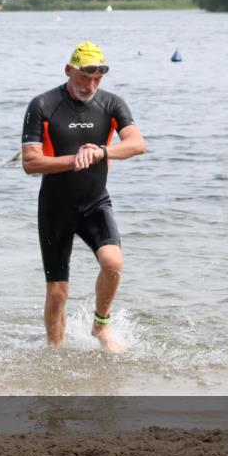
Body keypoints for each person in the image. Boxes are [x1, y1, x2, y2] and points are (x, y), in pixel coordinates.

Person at [21, 41, 147, 352]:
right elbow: (30, 163)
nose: (90, 85)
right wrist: (74, 158)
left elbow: (137, 144)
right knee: (57, 294)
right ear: (69, 71)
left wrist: (102, 151)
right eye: (84, 77)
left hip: (94, 202)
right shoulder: (43, 105)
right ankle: (56, 355)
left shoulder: (111, 104)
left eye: (97, 79)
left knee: (113, 262)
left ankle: (100, 326)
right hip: (55, 208)